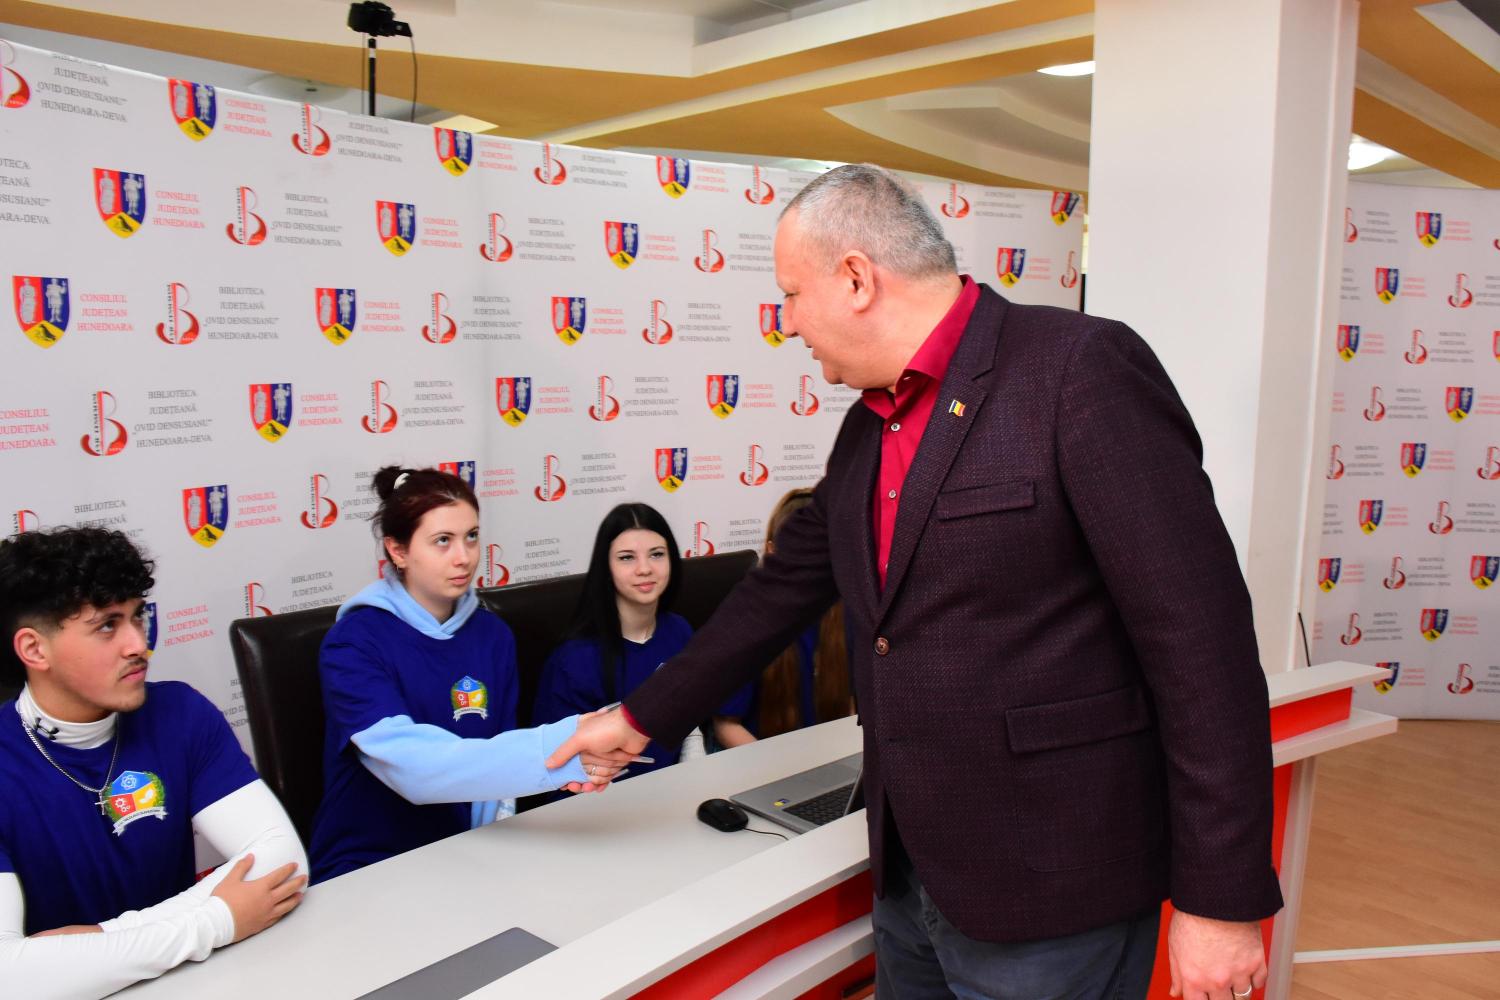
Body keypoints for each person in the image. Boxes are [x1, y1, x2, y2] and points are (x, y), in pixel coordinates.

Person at [551, 164, 1282, 1000]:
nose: (787, 322)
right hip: (911, 877)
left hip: (1056, 886)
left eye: (792, 295)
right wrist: (640, 717)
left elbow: (1201, 646)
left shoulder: (1078, 369)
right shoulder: (868, 427)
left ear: (856, 278)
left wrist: (1221, 901)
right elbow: (777, 595)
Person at [0, 527, 308, 999]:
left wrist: (102, 939)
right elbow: (10, 975)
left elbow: (282, 862)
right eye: (107, 625)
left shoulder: (180, 712)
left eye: (137, 616)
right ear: (34, 649)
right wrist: (219, 919)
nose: (138, 644)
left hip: (198, 981)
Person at [307, 467, 620, 883]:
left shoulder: (493, 635)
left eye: (471, 536)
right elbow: (412, 769)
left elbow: (498, 761)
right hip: (369, 865)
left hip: (466, 854)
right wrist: (562, 748)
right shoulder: (354, 641)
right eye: (443, 541)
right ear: (398, 551)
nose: (464, 556)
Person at [532, 503, 752, 773]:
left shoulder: (679, 631)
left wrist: (695, 776)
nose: (645, 568)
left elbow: (688, 720)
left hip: (677, 787)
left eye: (657, 554)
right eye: (627, 558)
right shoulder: (573, 662)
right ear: (606, 567)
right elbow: (556, 765)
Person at [750, 488, 852, 740]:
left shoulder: (848, 616)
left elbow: (850, 706)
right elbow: (725, 725)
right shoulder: (751, 624)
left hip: (827, 756)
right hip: (763, 757)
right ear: (771, 551)